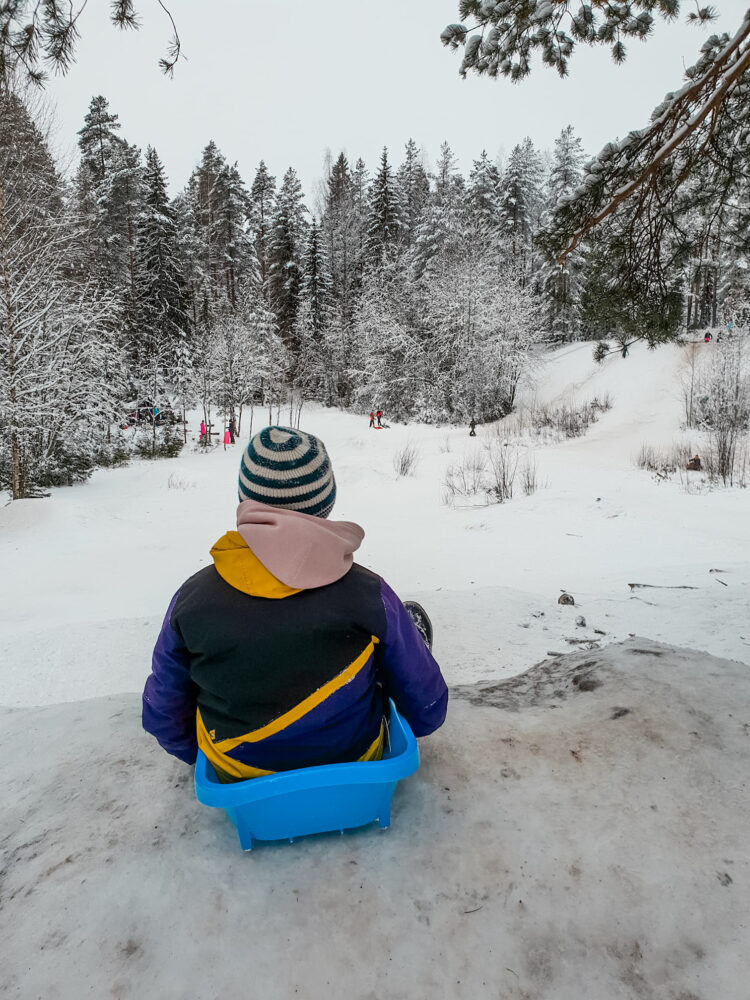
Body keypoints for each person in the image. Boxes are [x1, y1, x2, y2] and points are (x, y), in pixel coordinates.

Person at [142, 426, 448, 782]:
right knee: (384, 652)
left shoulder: (192, 599)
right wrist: (415, 722)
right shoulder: (368, 592)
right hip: (355, 762)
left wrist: (193, 753)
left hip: (238, 773)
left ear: (245, 501)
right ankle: (406, 644)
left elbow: (163, 710)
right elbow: (428, 706)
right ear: (325, 503)